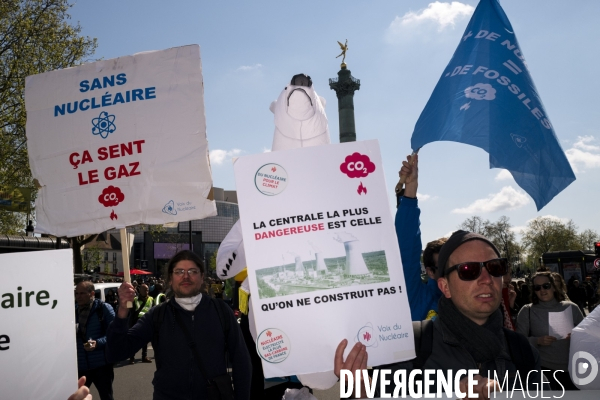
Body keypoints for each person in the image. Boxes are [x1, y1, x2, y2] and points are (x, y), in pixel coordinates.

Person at [335, 230, 542, 398]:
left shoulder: (522, 350)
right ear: (444, 287)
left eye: (495, 267)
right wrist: (358, 392)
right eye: (469, 270)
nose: (486, 279)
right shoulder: (410, 346)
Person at [106, 250, 252, 399]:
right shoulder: (157, 315)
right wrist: (122, 311)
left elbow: (242, 361)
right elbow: (118, 352)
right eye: (179, 271)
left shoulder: (221, 311)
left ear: (202, 277)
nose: (186, 276)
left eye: (192, 271)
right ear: (170, 278)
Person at [395, 153, 446, 321]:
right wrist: (410, 191)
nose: (455, 275)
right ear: (431, 272)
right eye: (446, 269)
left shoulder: (469, 302)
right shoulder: (420, 299)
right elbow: (406, 252)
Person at [517, 271, 584, 391]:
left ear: (553, 287)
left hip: (574, 369)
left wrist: (576, 336)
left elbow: (587, 336)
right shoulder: (527, 311)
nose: (542, 290)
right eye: (537, 288)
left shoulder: (571, 307)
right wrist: (537, 340)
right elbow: (518, 341)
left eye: (546, 286)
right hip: (544, 370)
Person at [74, 282, 116, 400]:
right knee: (78, 397)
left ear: (92, 293)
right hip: (81, 365)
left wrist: (97, 343)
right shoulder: (73, 311)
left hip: (101, 365)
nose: (78, 296)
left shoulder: (103, 308)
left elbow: (114, 335)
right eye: (76, 293)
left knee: (106, 396)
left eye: (82, 293)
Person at [129, 283, 154, 364]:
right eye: (144, 290)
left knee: (145, 341)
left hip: (147, 323)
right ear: (140, 291)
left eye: (147, 290)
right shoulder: (135, 299)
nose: (146, 291)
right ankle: (131, 357)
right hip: (137, 322)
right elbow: (131, 312)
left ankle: (144, 356)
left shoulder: (151, 299)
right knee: (134, 341)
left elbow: (153, 310)